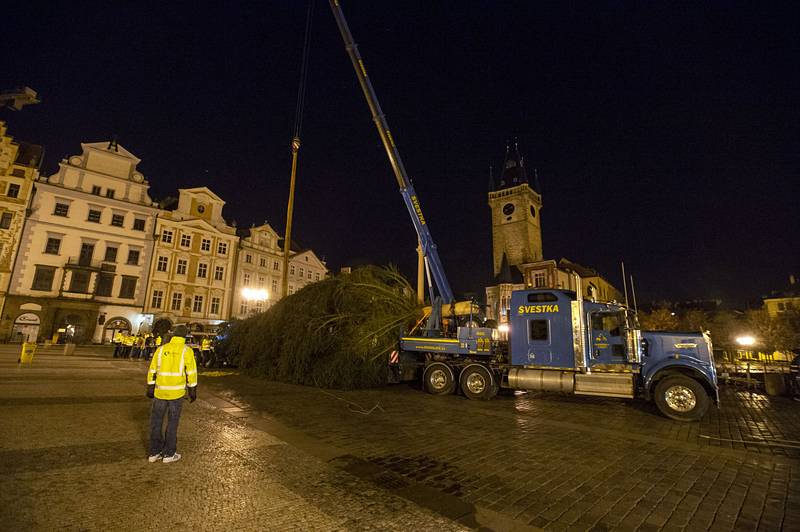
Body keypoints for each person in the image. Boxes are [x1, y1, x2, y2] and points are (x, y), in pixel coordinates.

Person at [146, 325, 197, 463]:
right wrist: (192, 390)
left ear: (173, 335)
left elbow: (152, 369)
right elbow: (191, 372)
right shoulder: (187, 351)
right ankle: (169, 454)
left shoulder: (161, 349)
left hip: (160, 391)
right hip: (176, 393)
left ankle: (154, 452)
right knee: (172, 423)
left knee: (156, 422)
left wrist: (150, 386)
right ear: (185, 336)